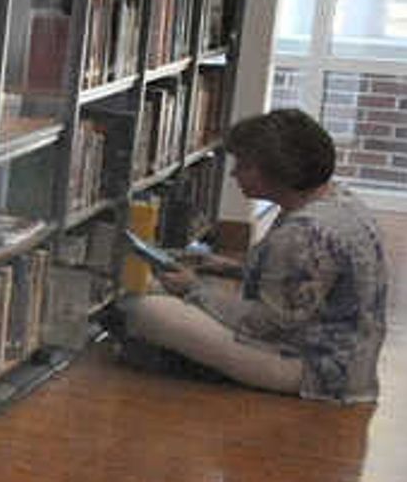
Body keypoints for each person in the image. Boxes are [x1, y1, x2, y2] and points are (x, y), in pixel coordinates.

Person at [111, 108, 389, 403]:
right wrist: (229, 268)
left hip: (315, 370)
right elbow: (306, 285)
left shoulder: (302, 234)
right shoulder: (338, 201)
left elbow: (263, 325)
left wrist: (194, 289)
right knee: (166, 299)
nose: (233, 173)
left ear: (278, 171)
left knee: (144, 309)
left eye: (244, 165)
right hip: (349, 361)